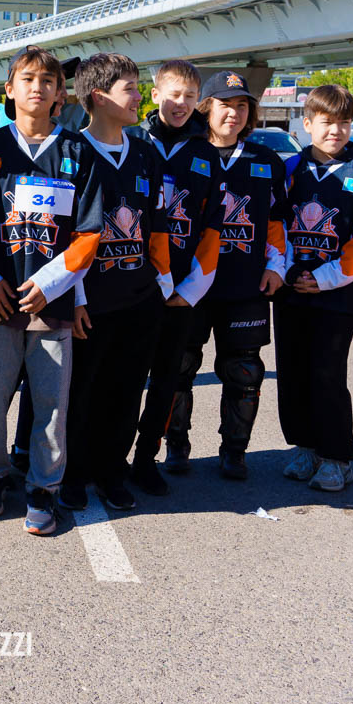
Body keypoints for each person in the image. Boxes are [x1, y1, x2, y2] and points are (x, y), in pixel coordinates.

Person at [0, 46, 103, 536]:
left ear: (59, 92)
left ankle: (44, 487)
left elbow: (88, 233)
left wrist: (51, 285)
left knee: (51, 403)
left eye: (48, 80)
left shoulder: (77, 151)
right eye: (27, 79)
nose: (37, 87)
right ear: (9, 89)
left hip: (52, 303)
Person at [60, 53, 171, 511]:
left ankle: (111, 470)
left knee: (126, 391)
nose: (139, 96)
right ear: (99, 97)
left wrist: (162, 284)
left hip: (139, 297)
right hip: (91, 301)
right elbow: (65, 235)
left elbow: (158, 225)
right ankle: (72, 473)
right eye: (130, 88)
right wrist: (75, 297)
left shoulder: (145, 152)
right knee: (81, 392)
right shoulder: (72, 151)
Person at [167, 71, 287, 480]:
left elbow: (277, 221)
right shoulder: (184, 155)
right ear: (206, 108)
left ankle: (234, 451)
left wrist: (276, 266)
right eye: (224, 105)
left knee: (245, 371)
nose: (233, 113)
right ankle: (176, 445)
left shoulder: (266, 161)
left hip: (244, 286)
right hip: (189, 287)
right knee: (179, 367)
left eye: (241, 106)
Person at [274, 85, 353, 493]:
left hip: (342, 288)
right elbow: (275, 224)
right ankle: (305, 445)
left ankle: (337, 456)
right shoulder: (290, 168)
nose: (336, 130)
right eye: (326, 122)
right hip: (292, 284)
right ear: (306, 124)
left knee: (327, 370)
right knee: (293, 369)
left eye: (344, 122)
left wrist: (324, 278)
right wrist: (288, 271)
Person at [129, 60, 223, 488]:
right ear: (155, 95)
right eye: (173, 94)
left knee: (167, 379)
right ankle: (109, 456)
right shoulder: (133, 141)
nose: (181, 104)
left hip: (180, 293)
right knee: (126, 377)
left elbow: (213, 228)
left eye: (189, 96)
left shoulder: (207, 154)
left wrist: (190, 289)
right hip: (133, 286)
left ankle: (146, 458)